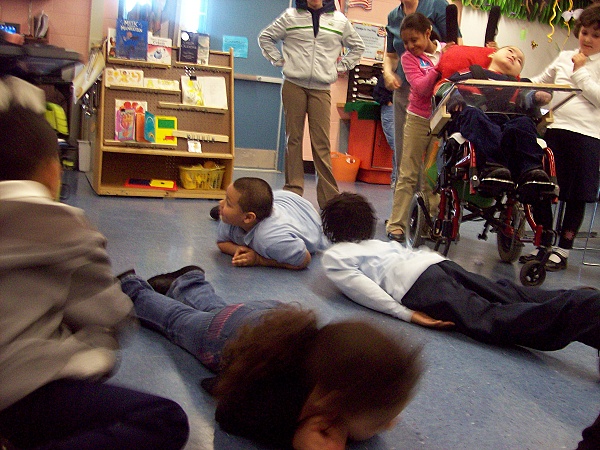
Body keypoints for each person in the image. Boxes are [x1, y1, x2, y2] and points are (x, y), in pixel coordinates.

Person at [0, 75, 189, 449]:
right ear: (52, 170)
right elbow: (113, 316)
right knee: (164, 420)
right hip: (20, 392)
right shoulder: (66, 227)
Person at [118, 266, 423, 450]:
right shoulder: (280, 400)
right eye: (383, 419)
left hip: (271, 315)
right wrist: (294, 435)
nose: (391, 425)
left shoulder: (331, 367)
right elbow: (228, 413)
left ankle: (189, 282)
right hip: (224, 336)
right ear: (332, 402)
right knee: (178, 321)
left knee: (216, 308)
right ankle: (131, 287)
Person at [321, 192, 600, 352]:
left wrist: (407, 314)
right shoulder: (377, 242)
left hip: (415, 284)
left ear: (332, 229)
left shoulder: (335, 256)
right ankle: (587, 313)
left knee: (488, 318)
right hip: (435, 264)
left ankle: (581, 307)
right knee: (506, 295)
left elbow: (363, 291)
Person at [258, 0, 365, 209]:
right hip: (293, 85)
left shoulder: (339, 21)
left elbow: (358, 46)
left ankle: (329, 199)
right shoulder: (290, 17)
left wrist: (339, 68)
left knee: (321, 143)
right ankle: (293, 191)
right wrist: (279, 61)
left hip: (322, 88)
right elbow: (265, 38)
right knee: (293, 139)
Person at [521, 3, 600, 271]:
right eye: (585, 32)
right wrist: (521, 86)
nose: (588, 40)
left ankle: (562, 251)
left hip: (587, 135)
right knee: (544, 187)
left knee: (575, 195)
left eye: (596, 35)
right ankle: (542, 244)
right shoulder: (565, 56)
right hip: (554, 131)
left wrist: (580, 71)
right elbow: (540, 81)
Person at [438, 45, 556, 201]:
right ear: (493, 54)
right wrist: (454, 97)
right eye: (510, 51)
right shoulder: (468, 74)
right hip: (476, 120)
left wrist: (537, 97)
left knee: (525, 122)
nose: (514, 57)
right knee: (473, 113)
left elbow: (529, 96)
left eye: (519, 60)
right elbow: (443, 87)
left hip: (507, 125)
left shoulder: (520, 86)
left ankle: (530, 170)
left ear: (518, 72)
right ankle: (492, 165)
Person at [383, 0, 460, 189]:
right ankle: (403, 213)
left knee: (434, 159)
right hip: (405, 90)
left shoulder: (437, 5)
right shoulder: (394, 15)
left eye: (414, 40)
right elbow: (391, 55)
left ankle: (430, 210)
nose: (409, 45)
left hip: (435, 94)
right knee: (404, 156)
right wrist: (387, 73)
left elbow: (455, 45)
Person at [386, 12, 446, 242]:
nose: (410, 46)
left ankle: (428, 223)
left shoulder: (447, 52)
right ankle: (396, 224)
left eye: (415, 40)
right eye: (406, 42)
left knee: (432, 176)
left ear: (428, 33)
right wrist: (440, 69)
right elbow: (420, 87)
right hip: (417, 119)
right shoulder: (408, 59)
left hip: (441, 121)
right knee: (408, 172)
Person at [215, 177, 329, 269]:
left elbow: (304, 260)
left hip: (309, 218)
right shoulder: (229, 219)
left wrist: (258, 260)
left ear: (248, 218)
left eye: (228, 203)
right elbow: (222, 242)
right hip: (284, 197)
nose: (221, 202)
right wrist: (237, 250)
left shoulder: (270, 239)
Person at [372, 73, 397, 187]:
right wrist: (388, 102)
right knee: (398, 146)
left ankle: (397, 179)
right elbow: (377, 93)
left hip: (405, 109)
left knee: (402, 147)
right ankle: (396, 179)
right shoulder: (388, 74)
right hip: (391, 109)